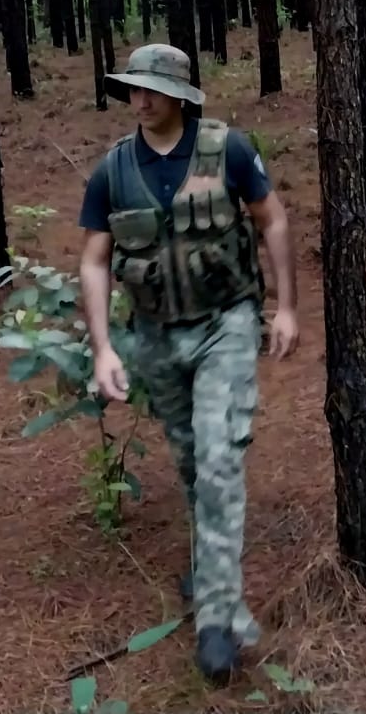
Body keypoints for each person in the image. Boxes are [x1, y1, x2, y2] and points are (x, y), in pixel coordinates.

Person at [78, 44, 299, 685]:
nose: (139, 100)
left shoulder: (227, 149)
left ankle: (217, 618)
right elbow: (94, 260)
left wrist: (285, 307)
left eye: (151, 89)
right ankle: (211, 566)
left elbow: (272, 221)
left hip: (224, 324)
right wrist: (103, 348)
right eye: (132, 89)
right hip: (154, 340)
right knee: (191, 462)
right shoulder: (113, 171)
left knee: (219, 460)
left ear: (181, 94)